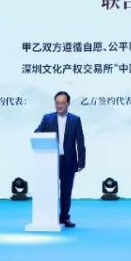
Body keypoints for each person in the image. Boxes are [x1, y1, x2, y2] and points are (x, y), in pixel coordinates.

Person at [35, 91, 86, 228]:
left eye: (62, 103)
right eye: (57, 103)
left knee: (66, 191)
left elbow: (80, 142)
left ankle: (64, 218)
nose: (59, 106)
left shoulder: (75, 120)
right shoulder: (47, 118)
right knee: (50, 190)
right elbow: (37, 133)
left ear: (68, 104)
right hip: (51, 161)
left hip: (68, 161)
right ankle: (49, 217)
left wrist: (81, 161)